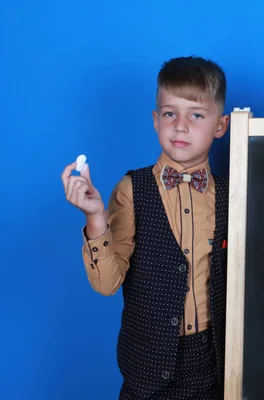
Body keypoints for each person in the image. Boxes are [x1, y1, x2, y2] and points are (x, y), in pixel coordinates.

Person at [61, 56, 230, 400]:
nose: (180, 125)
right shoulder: (130, 189)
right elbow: (107, 285)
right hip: (146, 373)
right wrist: (95, 218)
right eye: (170, 113)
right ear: (156, 120)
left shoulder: (232, 193)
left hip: (213, 369)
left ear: (221, 125)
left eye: (196, 114)